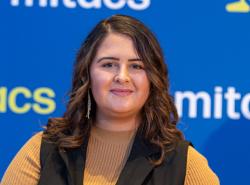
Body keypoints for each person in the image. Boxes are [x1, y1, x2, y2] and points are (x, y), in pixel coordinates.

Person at [1, 14, 220, 185]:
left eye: (136, 66)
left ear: (153, 79)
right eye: (108, 64)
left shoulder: (185, 165)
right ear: (87, 75)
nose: (121, 77)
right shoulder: (43, 150)